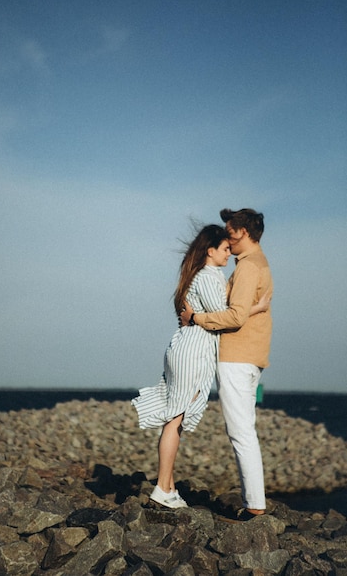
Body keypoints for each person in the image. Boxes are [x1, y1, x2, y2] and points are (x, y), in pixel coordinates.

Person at [132, 223, 269, 509]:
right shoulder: (208, 276)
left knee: (176, 419)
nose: (229, 253)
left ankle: (167, 486)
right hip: (193, 352)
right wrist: (255, 308)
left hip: (186, 348)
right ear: (210, 251)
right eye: (224, 249)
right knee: (175, 419)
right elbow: (229, 315)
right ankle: (162, 487)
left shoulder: (198, 275)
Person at [180, 208, 273, 520]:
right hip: (249, 355)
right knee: (245, 429)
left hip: (236, 356)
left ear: (243, 232)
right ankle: (255, 502)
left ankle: (255, 506)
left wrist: (195, 318)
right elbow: (246, 310)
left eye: (229, 231)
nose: (227, 238)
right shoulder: (259, 263)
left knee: (240, 431)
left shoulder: (248, 267)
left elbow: (235, 316)